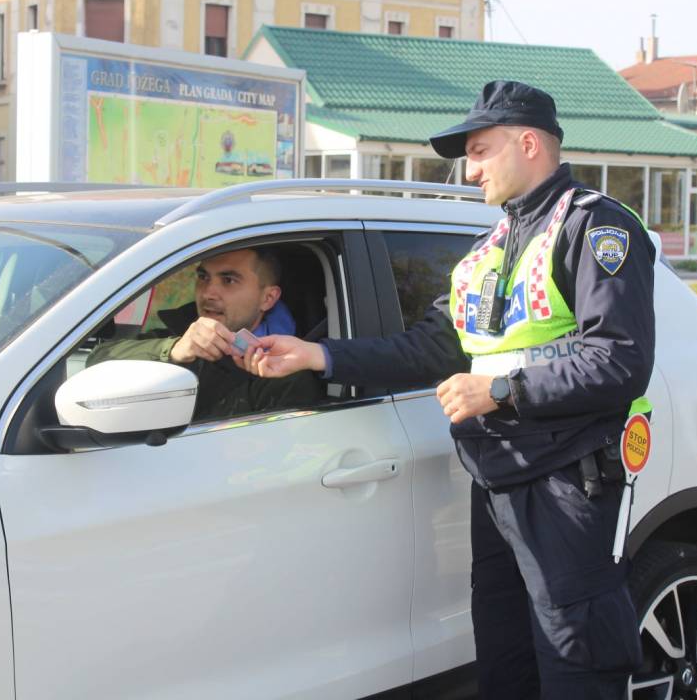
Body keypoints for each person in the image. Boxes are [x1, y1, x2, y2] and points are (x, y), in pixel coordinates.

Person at [241, 81, 655, 699]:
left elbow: (621, 361)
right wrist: (317, 354)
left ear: (529, 142)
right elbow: (429, 348)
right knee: (505, 656)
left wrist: (502, 390)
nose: (469, 170)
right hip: (497, 479)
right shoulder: (486, 251)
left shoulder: (594, 228)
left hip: (567, 479)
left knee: (576, 660)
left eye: (481, 150)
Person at [88, 247, 322, 422]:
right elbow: (97, 361)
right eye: (203, 277)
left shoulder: (289, 370)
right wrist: (174, 350)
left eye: (228, 280)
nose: (208, 292)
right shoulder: (179, 333)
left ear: (268, 298)